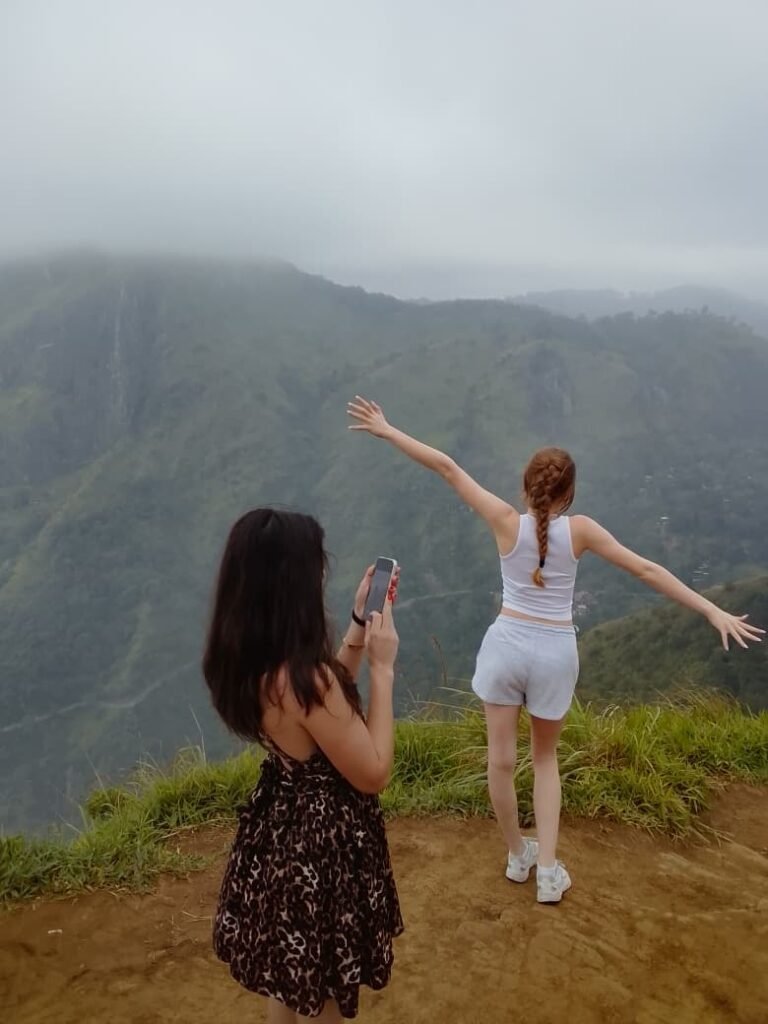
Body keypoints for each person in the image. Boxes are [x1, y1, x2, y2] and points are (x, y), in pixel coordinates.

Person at [347, 396, 763, 904]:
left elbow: (447, 467)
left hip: (505, 648)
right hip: (554, 655)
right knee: (544, 761)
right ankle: (548, 871)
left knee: (500, 761)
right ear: (568, 496)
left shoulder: (505, 519)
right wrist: (711, 610)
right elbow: (646, 569)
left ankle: (516, 854)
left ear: (526, 488)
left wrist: (388, 429)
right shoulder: (581, 531)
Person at [203, 508, 403, 1022]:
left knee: (291, 968)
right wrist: (383, 670)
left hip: (282, 831)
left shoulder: (249, 663)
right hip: (322, 848)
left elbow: (324, 711)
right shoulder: (306, 681)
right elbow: (373, 771)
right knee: (325, 988)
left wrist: (357, 626)